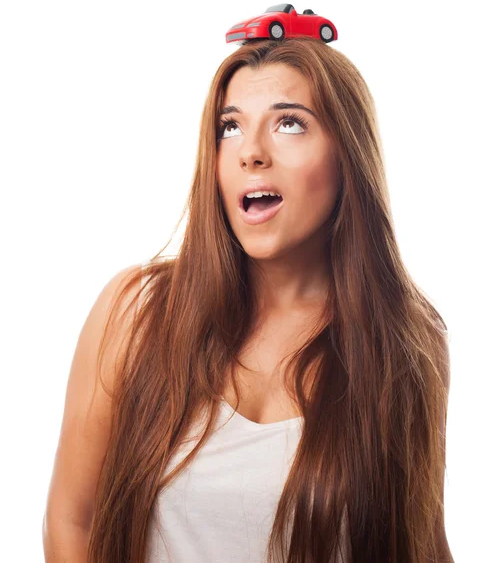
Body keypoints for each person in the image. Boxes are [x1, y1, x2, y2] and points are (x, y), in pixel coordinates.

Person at [43, 36, 453, 563]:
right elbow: (72, 520)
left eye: (289, 123)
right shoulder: (135, 312)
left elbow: (423, 542)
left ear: (348, 155)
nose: (251, 151)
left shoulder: (408, 343)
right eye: (230, 127)